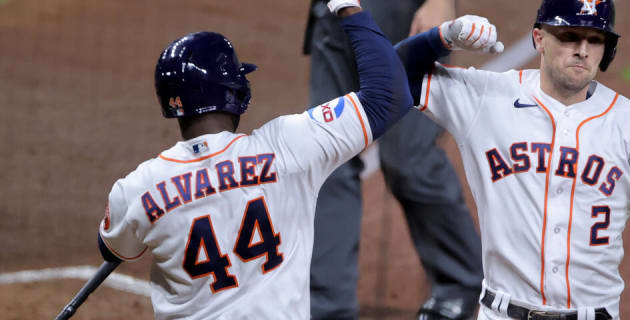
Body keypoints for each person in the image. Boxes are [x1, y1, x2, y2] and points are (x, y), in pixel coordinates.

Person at [393, 0, 630, 319]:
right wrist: (441, 38)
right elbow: (392, 72)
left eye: (595, 39)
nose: (583, 51)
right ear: (539, 39)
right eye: (570, 36)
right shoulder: (486, 98)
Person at [96, 1, 413, 319]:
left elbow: (114, 248)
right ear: (233, 92)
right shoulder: (289, 147)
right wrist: (349, 7)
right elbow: (389, 94)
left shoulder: (135, 190)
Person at [303, 0, 483, 319]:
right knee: (328, 158)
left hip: (405, 12)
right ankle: (327, 306)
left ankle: (462, 287)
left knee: (409, 159)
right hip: (336, 11)